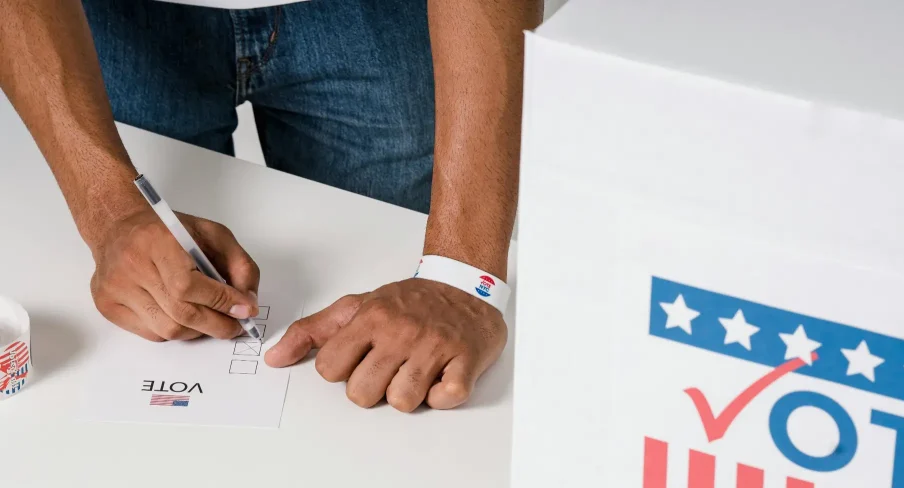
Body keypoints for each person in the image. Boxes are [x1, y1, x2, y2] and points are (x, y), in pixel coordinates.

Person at [0, 0, 541, 411]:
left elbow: (449, 290)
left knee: (397, 332)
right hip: (110, 22)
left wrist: (463, 278)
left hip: (375, 18)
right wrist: (109, 210)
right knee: (158, 299)